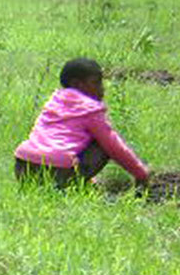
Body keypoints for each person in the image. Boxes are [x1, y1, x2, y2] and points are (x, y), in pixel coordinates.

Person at [13, 57, 152, 189]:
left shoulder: (54, 102)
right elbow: (114, 146)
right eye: (96, 83)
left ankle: (71, 181)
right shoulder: (90, 109)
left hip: (23, 166)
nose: (102, 89)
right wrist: (140, 173)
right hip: (57, 170)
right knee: (102, 144)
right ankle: (72, 183)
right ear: (77, 84)